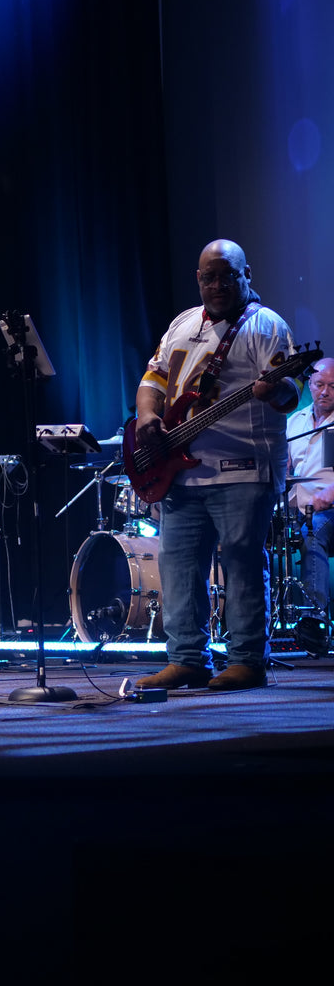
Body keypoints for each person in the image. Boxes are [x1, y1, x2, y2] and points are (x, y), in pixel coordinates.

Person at [135, 239, 300, 692]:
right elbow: (154, 378)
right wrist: (147, 415)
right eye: (209, 276)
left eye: (228, 275)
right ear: (198, 279)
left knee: (242, 562)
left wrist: (277, 390)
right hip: (181, 470)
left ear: (247, 275)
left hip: (244, 468)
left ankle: (247, 660)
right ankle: (187, 659)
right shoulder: (183, 323)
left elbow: (291, 392)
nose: (218, 284)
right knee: (178, 567)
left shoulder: (266, 326)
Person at [285, 357, 334, 616]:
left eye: (333, 386)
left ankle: (314, 620)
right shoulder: (295, 421)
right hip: (296, 510)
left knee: (312, 532)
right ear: (310, 385)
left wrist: (329, 494)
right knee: (251, 532)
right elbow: (284, 468)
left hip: (329, 511)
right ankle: (263, 619)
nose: (325, 391)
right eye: (320, 384)